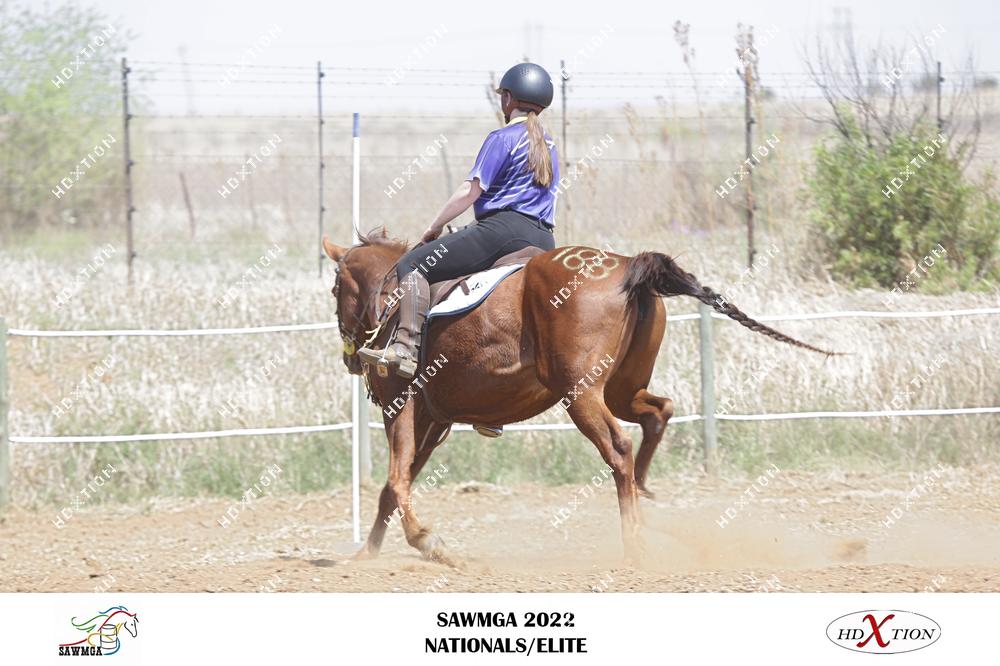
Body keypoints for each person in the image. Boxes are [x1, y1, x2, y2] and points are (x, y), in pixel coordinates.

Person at [358, 62, 561, 378]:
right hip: (544, 239)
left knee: (412, 264)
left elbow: (471, 191)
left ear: (508, 99)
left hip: (503, 233)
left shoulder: (502, 137)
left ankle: (405, 348)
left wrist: (435, 226)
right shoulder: (549, 145)